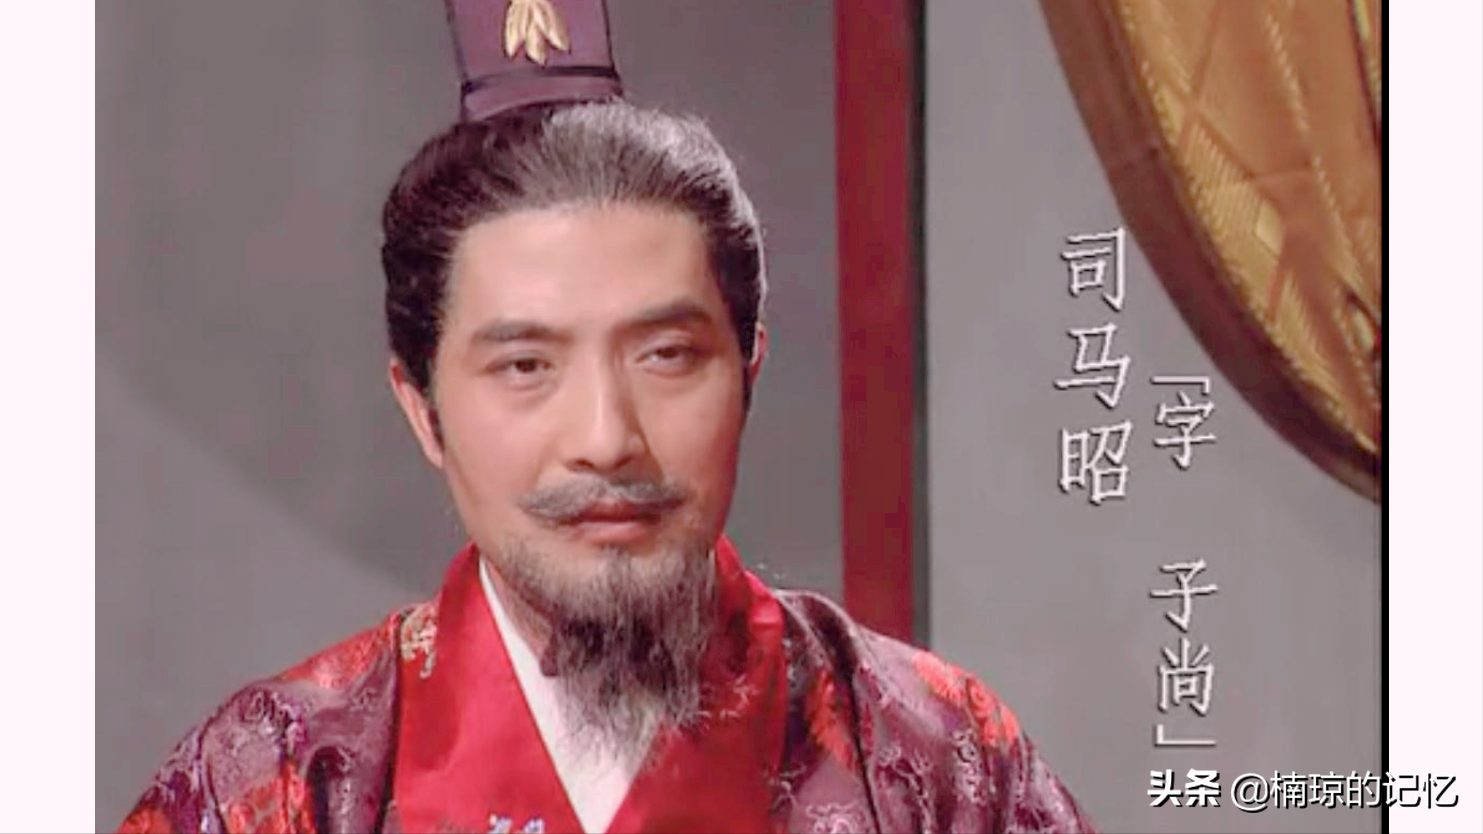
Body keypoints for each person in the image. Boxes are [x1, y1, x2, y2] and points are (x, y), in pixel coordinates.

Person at [120, 1, 1095, 831]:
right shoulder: (284, 779)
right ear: (421, 410)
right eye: (525, 366)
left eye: (666, 355)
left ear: (748, 371)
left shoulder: (931, 755)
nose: (606, 439)